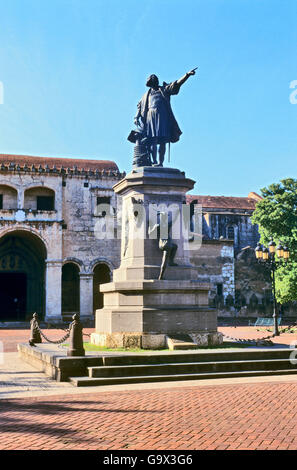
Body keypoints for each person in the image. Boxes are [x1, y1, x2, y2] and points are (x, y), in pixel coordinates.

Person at [134, 68, 197, 166]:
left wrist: (187, 75)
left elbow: (176, 84)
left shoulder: (163, 89)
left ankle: (160, 162)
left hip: (162, 116)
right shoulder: (146, 95)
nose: (154, 80)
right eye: (152, 79)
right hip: (150, 117)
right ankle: (153, 161)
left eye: (155, 79)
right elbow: (140, 106)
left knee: (163, 140)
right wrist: (136, 117)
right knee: (152, 140)